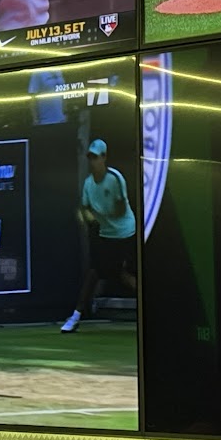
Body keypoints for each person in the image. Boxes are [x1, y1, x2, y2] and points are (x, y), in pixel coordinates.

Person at [63, 139, 136, 333]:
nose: (92, 161)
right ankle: (75, 317)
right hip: (106, 235)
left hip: (126, 233)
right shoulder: (88, 183)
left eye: (96, 157)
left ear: (104, 158)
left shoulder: (115, 179)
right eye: (90, 157)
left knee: (121, 275)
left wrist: (96, 216)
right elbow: (84, 207)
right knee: (95, 273)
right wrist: (84, 216)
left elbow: (120, 211)